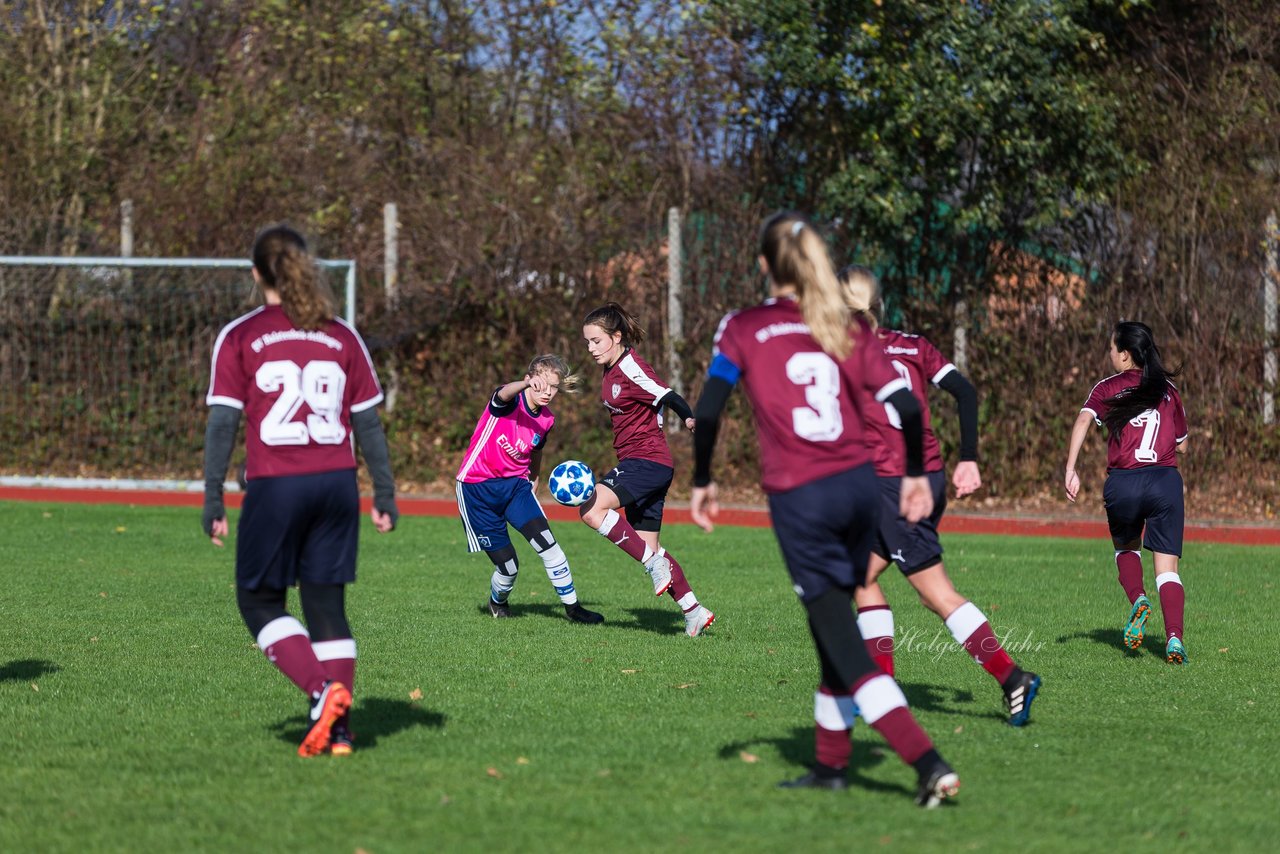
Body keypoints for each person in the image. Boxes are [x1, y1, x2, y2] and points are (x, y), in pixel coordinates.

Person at [690, 212, 959, 807]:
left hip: (802, 497)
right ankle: (831, 765)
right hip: (863, 488)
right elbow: (910, 410)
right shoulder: (844, 324)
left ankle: (926, 761)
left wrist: (704, 479)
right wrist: (915, 472)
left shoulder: (744, 326)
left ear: (763, 265)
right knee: (828, 627)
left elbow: (707, 411)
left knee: (841, 637)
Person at [202, 224, 398, 757]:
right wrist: (384, 493)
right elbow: (368, 425)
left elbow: (223, 425)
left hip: (277, 484)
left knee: (258, 599)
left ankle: (320, 693)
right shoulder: (341, 334)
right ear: (306, 266)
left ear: (255, 273)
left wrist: (213, 498)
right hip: (337, 485)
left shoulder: (241, 334)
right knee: (326, 607)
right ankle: (340, 734)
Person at [840, 266, 1041, 726]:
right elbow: (965, 392)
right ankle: (882, 691)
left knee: (936, 594)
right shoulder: (912, 344)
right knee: (860, 576)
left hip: (897, 486)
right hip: (925, 475)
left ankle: (1013, 678)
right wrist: (968, 457)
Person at [578, 302, 714, 637]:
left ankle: (656, 566)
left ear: (616, 337)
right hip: (646, 464)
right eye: (588, 342)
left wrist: (688, 416)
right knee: (648, 548)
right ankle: (694, 611)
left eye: (597, 341)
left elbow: (666, 394)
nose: (591, 348)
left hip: (646, 461)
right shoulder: (610, 369)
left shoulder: (630, 368)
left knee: (590, 509)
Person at [1064, 320, 1188, 664]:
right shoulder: (1168, 390)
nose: (1109, 354)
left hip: (1124, 483)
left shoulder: (1107, 387)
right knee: (1168, 570)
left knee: (1125, 549)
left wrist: (1070, 468)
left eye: (1111, 348)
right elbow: (1183, 442)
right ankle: (1174, 640)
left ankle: (1137, 599)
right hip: (1164, 482)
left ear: (1124, 355)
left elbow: (1083, 421)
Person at [456, 355, 604, 624]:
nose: (547, 392)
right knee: (509, 567)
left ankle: (573, 609)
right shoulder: (509, 401)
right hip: (477, 490)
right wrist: (523, 386)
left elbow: (536, 450)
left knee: (550, 546)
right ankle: (497, 601)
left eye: (553, 387)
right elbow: (502, 392)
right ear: (529, 380)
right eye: (541, 384)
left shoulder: (547, 419)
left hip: (516, 488)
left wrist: (534, 478)